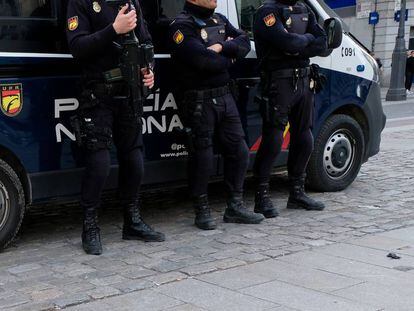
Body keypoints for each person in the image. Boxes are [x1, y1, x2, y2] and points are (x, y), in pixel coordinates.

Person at [66, 0, 165, 255]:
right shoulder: (82, 3)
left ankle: (131, 221)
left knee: (134, 161)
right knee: (99, 164)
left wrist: (149, 70)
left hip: (129, 94)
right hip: (98, 94)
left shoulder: (131, 2)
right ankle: (90, 226)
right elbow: (77, 46)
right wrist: (114, 29)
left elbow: (146, 43)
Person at [168, 0, 265, 230]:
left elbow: (243, 43)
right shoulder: (181, 27)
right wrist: (228, 56)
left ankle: (235, 206)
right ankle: (201, 210)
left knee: (239, 150)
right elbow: (203, 61)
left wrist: (221, 48)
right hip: (199, 100)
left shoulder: (219, 19)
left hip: (225, 96)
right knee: (203, 157)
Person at [253, 0, 328, 216]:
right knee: (273, 138)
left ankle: (297, 193)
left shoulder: (304, 10)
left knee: (305, 136)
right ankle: (261, 197)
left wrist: (298, 43)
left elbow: (322, 43)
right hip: (279, 82)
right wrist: (304, 41)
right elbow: (288, 43)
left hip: (304, 80)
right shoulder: (268, 12)